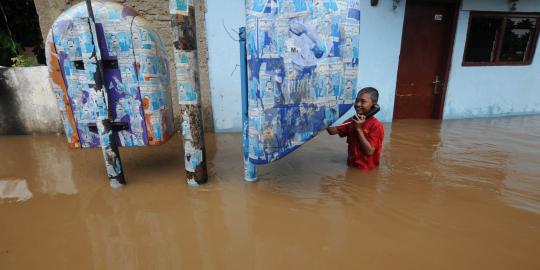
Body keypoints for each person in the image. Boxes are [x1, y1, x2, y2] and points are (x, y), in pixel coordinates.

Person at [326, 87, 384, 171]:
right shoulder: (352, 120)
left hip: (366, 171)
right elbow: (332, 131)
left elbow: (369, 151)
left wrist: (358, 129)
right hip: (351, 167)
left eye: (363, 102)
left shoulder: (376, 125)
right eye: (357, 100)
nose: (358, 104)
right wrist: (323, 118)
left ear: (374, 105)